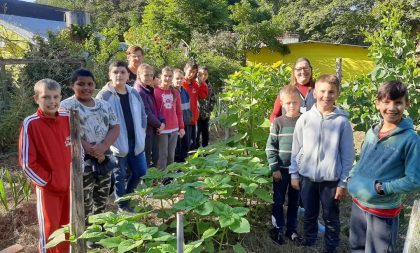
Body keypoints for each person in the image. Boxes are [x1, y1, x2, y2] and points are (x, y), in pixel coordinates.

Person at [348, 81, 420, 253]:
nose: (392, 108)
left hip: (383, 210)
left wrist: (383, 188)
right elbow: (362, 161)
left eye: (398, 102)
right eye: (386, 102)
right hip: (358, 203)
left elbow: (414, 180)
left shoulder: (411, 140)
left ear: (406, 104)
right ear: (377, 103)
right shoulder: (371, 132)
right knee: (356, 247)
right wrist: (352, 177)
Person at [290, 74, 355, 253]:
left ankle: (330, 246)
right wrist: (294, 173)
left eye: (331, 92)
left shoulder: (342, 122)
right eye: (322, 91)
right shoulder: (304, 119)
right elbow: (296, 148)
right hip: (307, 177)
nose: (326, 96)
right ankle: (309, 241)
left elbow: (348, 155)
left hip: (331, 180)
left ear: (337, 94)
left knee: (330, 215)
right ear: (314, 92)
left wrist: (343, 183)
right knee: (310, 213)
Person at [19, 79, 71, 253]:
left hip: (70, 187)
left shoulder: (67, 118)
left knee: (68, 229)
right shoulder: (31, 123)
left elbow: (77, 148)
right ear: (36, 99)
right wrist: (49, 181)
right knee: (50, 231)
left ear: (61, 97)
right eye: (46, 97)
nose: (52, 101)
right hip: (48, 190)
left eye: (56, 96)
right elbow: (27, 163)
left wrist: (74, 176)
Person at [96, 61, 148, 212]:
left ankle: (128, 196)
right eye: (115, 72)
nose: (119, 75)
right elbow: (99, 121)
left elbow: (143, 115)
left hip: (136, 141)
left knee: (141, 171)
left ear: (128, 75)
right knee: (119, 175)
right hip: (116, 143)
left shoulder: (133, 92)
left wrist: (142, 132)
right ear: (110, 75)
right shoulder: (104, 96)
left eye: (122, 72)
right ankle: (123, 206)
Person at [266, 85, 303, 245]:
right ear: (281, 103)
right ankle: (277, 228)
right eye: (288, 103)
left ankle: (291, 229)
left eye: (295, 102)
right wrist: (274, 168)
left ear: (300, 101)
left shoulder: (304, 121)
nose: (292, 106)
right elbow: (270, 147)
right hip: (281, 170)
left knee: (295, 202)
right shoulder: (278, 123)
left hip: (299, 171)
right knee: (278, 200)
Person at [134, 63, 165, 168]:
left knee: (155, 157)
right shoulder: (139, 91)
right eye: (146, 75)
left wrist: (162, 122)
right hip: (146, 132)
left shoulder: (148, 89)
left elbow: (156, 109)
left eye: (151, 75)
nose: (149, 77)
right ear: (139, 75)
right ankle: (147, 182)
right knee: (146, 159)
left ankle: (154, 181)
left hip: (154, 129)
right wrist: (159, 125)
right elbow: (146, 114)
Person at [154, 66, 185, 170]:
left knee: (171, 155)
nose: (167, 78)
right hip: (162, 129)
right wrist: (157, 125)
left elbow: (179, 112)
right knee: (163, 155)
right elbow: (154, 111)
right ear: (161, 76)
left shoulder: (175, 92)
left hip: (174, 127)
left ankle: (170, 179)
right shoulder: (155, 91)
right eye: (165, 76)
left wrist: (181, 127)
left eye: (170, 76)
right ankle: (161, 178)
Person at [270, 57, 315, 122]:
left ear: (310, 70)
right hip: (290, 130)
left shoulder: (320, 89)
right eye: (299, 69)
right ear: (294, 72)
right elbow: (275, 114)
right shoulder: (286, 91)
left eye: (306, 68)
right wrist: (275, 125)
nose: (303, 71)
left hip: (314, 130)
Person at [182, 61, 208, 149]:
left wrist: (202, 83)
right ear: (185, 70)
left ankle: (191, 161)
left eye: (194, 72)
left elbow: (203, 95)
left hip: (193, 118)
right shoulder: (181, 83)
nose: (192, 74)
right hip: (183, 120)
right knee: (183, 144)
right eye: (190, 71)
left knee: (192, 143)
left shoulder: (195, 84)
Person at [173, 68, 192, 162]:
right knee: (177, 147)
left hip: (186, 123)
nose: (179, 80)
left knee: (186, 144)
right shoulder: (171, 92)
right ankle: (176, 166)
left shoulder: (185, 92)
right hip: (176, 125)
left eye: (181, 78)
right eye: (177, 78)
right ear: (172, 79)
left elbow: (188, 108)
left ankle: (184, 165)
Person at [196, 66, 216, 147]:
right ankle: (195, 153)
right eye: (201, 74)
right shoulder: (195, 85)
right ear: (197, 74)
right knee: (196, 134)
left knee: (205, 134)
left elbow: (213, 98)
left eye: (205, 74)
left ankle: (206, 152)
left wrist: (210, 109)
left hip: (206, 115)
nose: (203, 76)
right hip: (196, 115)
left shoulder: (209, 86)